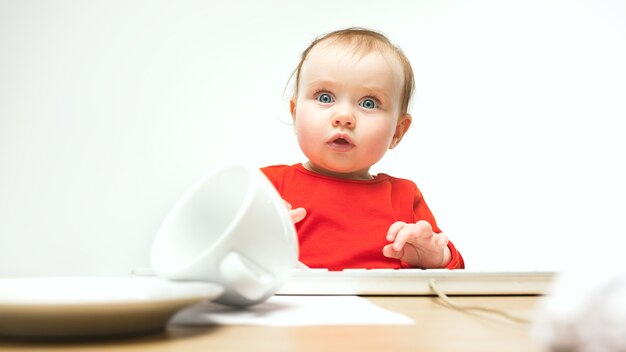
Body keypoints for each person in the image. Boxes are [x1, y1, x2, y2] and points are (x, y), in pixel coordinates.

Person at [261, 28, 464, 270]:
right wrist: (251, 228)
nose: (344, 116)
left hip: (381, 306)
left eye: (368, 103)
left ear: (397, 131)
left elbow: (452, 268)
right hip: (295, 304)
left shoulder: (403, 196)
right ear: (295, 114)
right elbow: (216, 244)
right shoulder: (268, 186)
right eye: (325, 98)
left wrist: (432, 256)